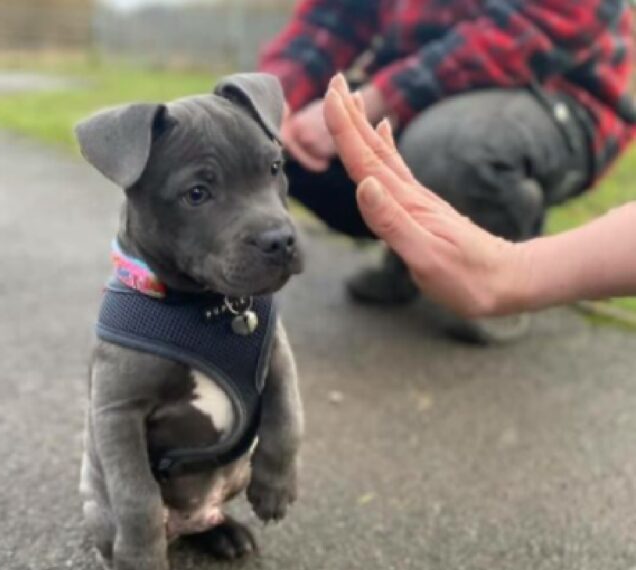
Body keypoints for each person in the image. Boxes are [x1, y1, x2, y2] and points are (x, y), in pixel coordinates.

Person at [259, 0, 635, 342]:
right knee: (279, 146)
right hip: (420, 85)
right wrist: (274, 106)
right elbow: (333, 18)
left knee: (451, 148)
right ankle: (413, 260)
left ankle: (503, 264)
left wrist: (378, 99)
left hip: (556, 88)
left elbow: (543, 24)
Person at [323, 73, 636, 319]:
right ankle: (413, 261)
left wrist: (516, 271)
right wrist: (282, 104)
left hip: (562, 96)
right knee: (308, 130)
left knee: (449, 147)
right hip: (434, 85)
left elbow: (527, 31)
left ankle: (511, 233)